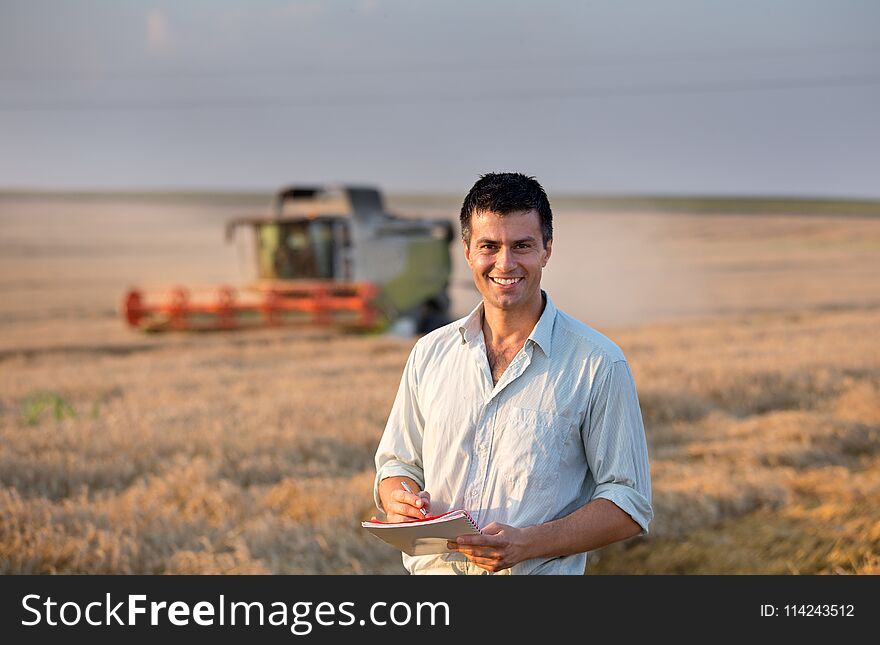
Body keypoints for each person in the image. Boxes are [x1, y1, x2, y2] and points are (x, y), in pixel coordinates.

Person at [373, 172, 652, 574]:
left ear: (546, 250)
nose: (505, 263)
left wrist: (528, 543)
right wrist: (399, 495)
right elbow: (398, 464)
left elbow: (629, 502)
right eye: (490, 246)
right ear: (467, 251)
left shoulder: (598, 364)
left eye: (522, 246)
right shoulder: (428, 354)